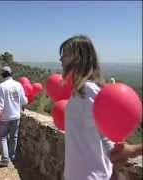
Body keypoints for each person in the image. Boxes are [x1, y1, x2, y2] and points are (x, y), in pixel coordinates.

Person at [60, 35, 142, 180]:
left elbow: (106, 137)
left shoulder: (89, 91)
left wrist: (132, 150)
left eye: (65, 55)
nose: (61, 60)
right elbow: (97, 134)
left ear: (78, 58)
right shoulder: (80, 92)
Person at [0, 66, 28, 167]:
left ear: (2, 75)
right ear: (11, 74)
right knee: (14, 137)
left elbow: (0, 105)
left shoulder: (1, 86)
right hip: (16, 116)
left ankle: (5, 159)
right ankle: (11, 157)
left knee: (3, 137)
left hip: (4, 117)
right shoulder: (18, 85)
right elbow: (24, 101)